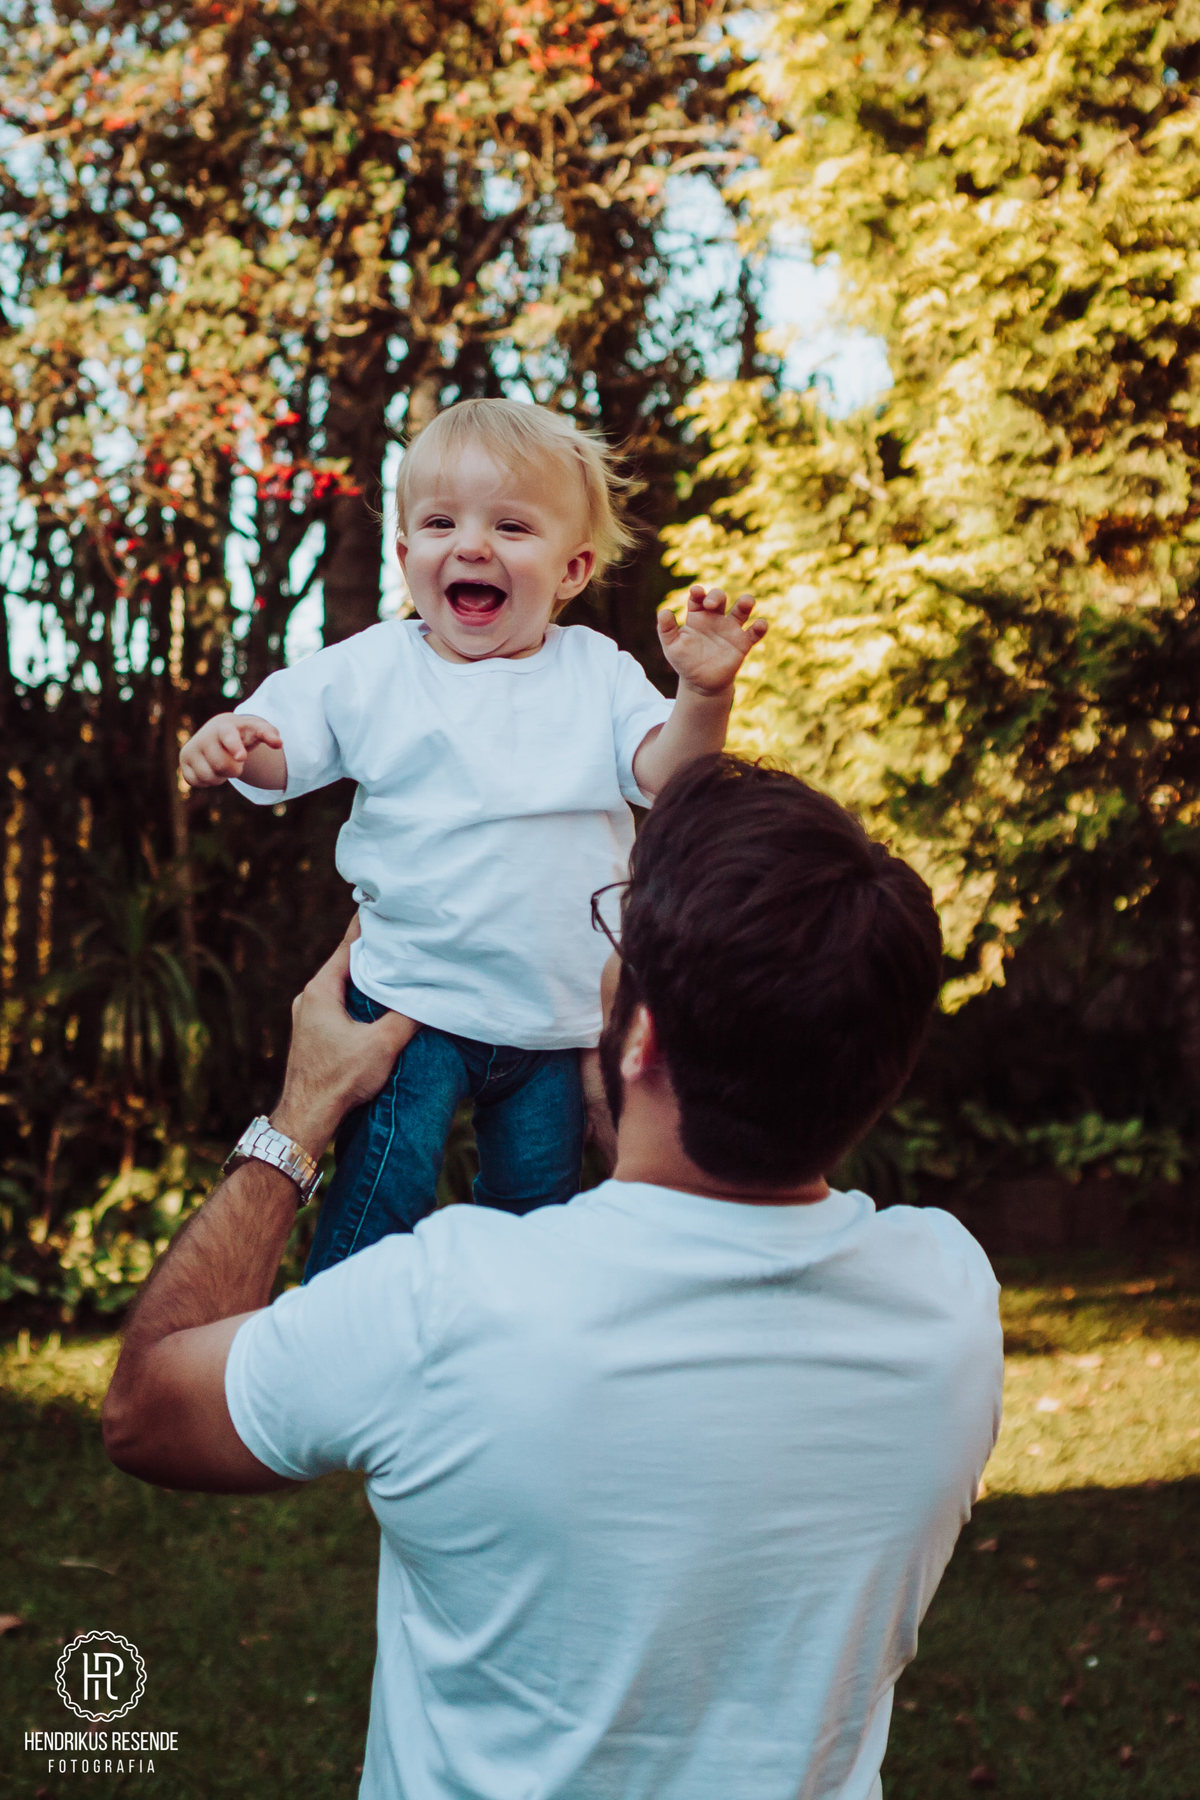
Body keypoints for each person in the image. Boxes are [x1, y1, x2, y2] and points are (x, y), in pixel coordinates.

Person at [103, 754, 1004, 1800]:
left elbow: (145, 1408)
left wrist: (302, 1113)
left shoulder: (449, 1304)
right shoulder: (948, 1301)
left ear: (644, 1040)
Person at [179, 399, 767, 1278]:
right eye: (442, 522)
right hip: (411, 1005)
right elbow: (287, 743)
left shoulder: (597, 673)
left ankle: (511, 1359)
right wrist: (237, 745)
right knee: (385, 1191)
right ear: (405, 552)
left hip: (554, 1022)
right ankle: (345, 1339)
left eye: (511, 526)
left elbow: (665, 774)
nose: (473, 545)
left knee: (536, 1216)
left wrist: (705, 697)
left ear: (570, 570)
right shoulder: (376, 667)